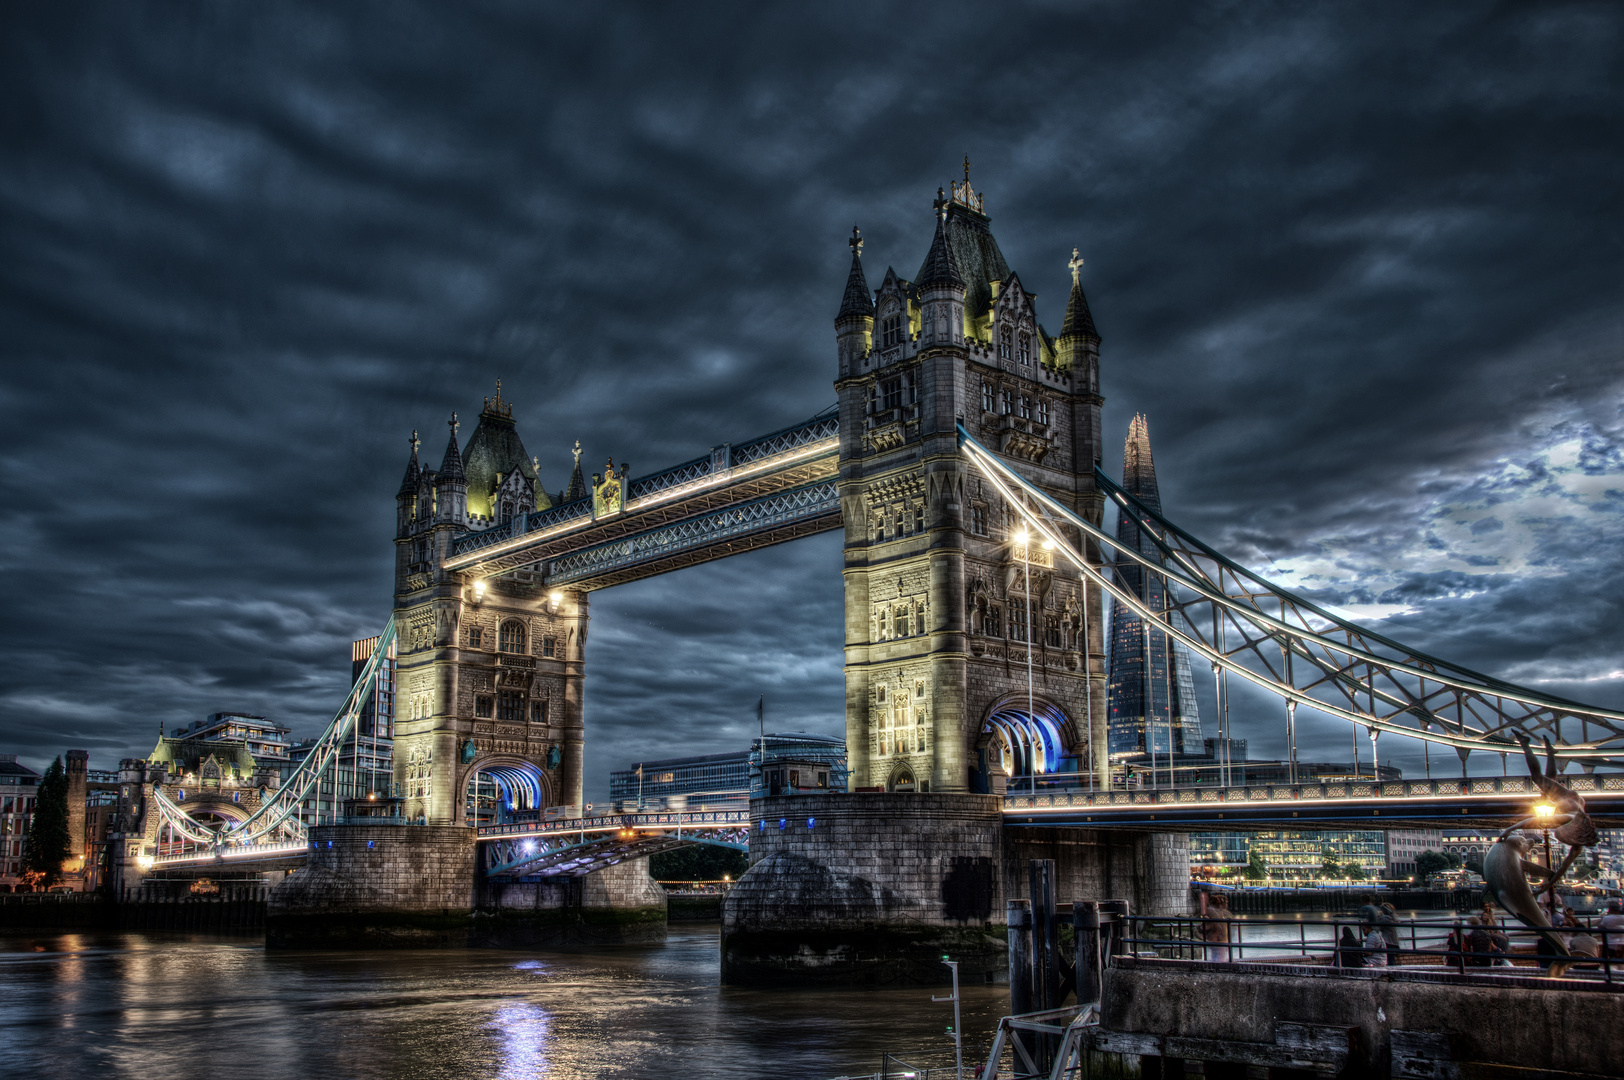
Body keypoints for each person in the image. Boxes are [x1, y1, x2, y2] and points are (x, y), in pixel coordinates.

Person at [1199, 889, 1232, 962]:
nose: (1227, 905)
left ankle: (1214, 968)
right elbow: (1219, 926)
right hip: (1220, 940)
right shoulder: (1218, 913)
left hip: (1213, 939)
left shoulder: (1212, 912)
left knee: (1215, 956)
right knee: (1220, 958)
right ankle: (1218, 969)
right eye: (1226, 903)